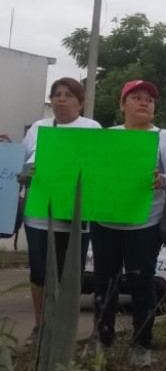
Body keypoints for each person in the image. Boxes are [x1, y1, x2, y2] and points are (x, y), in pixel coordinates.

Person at [92, 80, 166, 368]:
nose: (144, 103)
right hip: (105, 223)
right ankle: (103, 343)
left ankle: (141, 345)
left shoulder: (163, 137)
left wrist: (163, 179)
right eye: (136, 97)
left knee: (142, 285)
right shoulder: (107, 136)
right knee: (105, 285)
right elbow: (91, 171)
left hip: (144, 224)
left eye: (149, 100)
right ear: (122, 104)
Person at [20, 78, 101, 340]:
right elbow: (21, 165)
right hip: (39, 215)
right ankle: (41, 325)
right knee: (40, 271)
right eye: (56, 94)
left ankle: (65, 328)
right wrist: (25, 175)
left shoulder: (92, 128)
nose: (61, 99)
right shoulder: (38, 128)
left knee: (70, 274)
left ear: (80, 101)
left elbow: (98, 169)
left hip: (74, 216)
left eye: (68, 95)